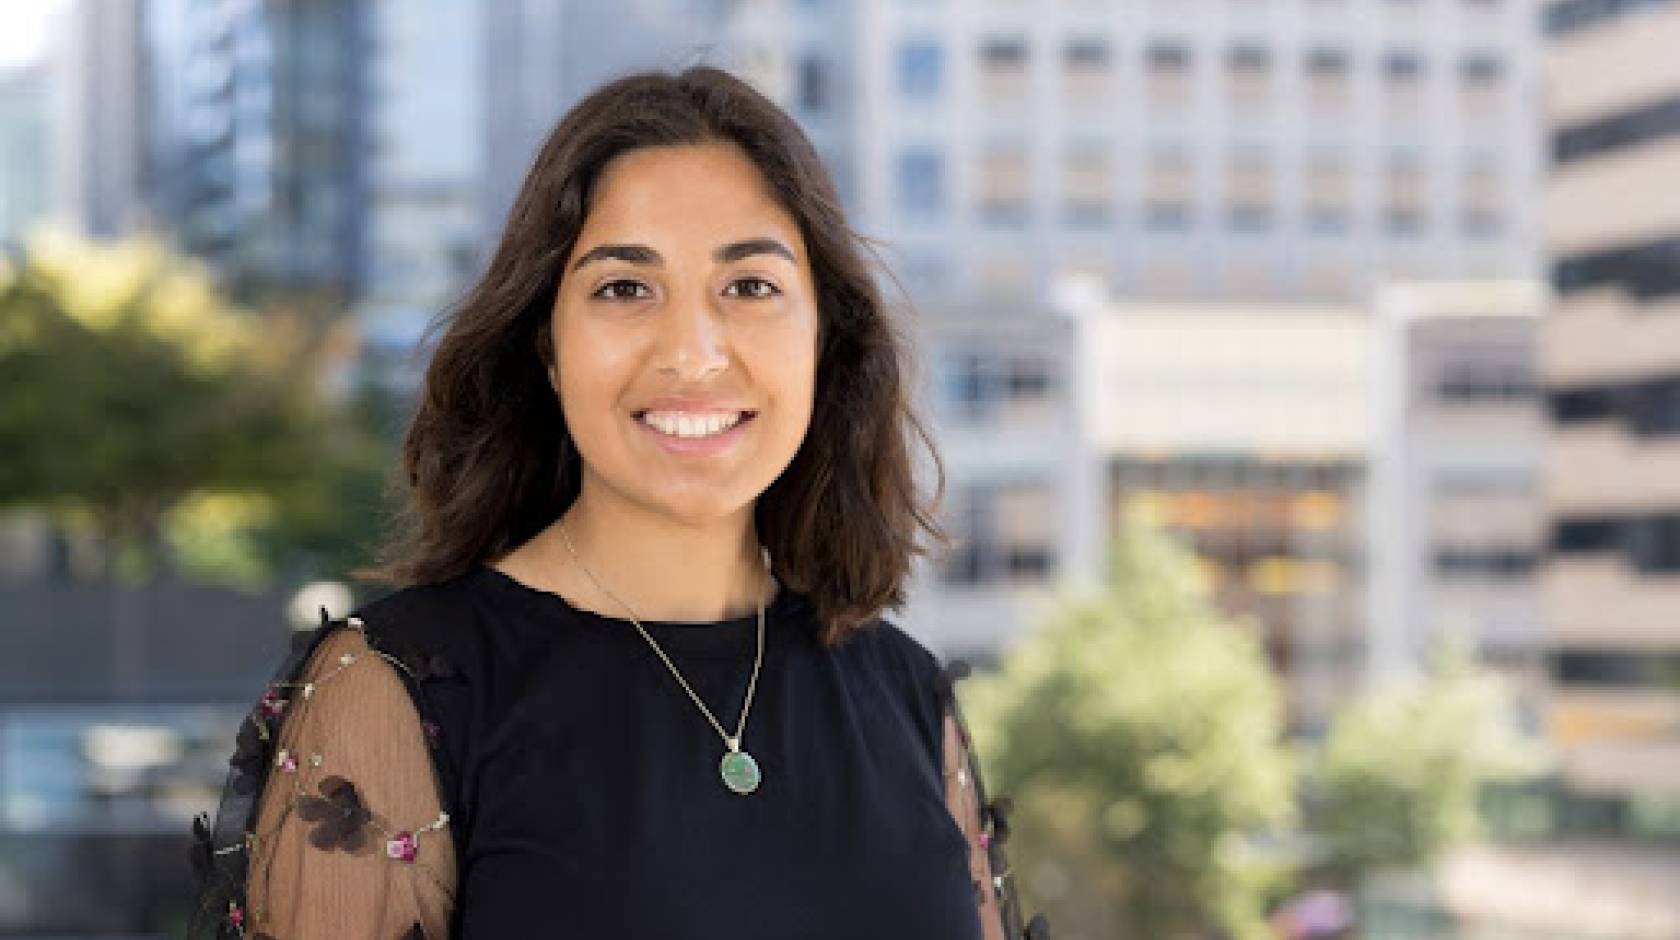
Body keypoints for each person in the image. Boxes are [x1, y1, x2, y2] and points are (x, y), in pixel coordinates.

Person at [186, 65, 1049, 939]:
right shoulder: (398, 691)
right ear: (548, 349)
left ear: (825, 338)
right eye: (625, 288)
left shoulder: (905, 693)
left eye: (750, 286)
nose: (693, 352)